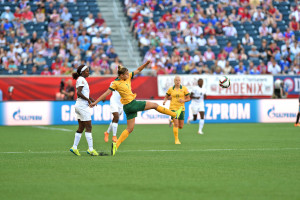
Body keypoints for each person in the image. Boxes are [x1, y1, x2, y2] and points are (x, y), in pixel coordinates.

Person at [90, 60, 183, 156]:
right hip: (132, 104)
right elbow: (106, 93)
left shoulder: (128, 77)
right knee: (155, 105)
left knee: (130, 129)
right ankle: (174, 114)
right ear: (121, 76)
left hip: (127, 107)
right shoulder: (115, 83)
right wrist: (95, 102)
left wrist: (146, 64)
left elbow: (138, 70)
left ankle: (116, 145)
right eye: (126, 74)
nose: (128, 75)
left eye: (127, 74)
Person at [70, 65, 99, 156]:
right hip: (82, 106)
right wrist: (88, 100)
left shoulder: (81, 80)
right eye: (87, 71)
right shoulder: (82, 79)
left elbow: (82, 93)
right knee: (89, 127)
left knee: (81, 127)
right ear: (82, 72)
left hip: (79, 105)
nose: (88, 72)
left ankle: (74, 147)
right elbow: (78, 92)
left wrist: (91, 99)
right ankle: (90, 149)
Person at [163, 76, 190, 144]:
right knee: (176, 124)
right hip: (173, 108)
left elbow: (188, 98)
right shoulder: (171, 89)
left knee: (181, 126)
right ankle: (176, 140)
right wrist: (165, 101)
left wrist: (183, 100)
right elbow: (166, 96)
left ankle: (171, 121)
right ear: (174, 81)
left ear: (180, 81)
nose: (177, 82)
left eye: (179, 80)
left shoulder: (184, 88)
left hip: (181, 108)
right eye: (176, 80)